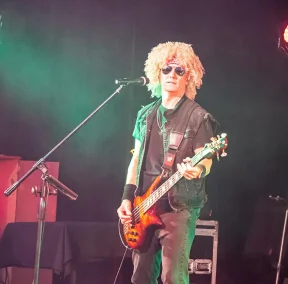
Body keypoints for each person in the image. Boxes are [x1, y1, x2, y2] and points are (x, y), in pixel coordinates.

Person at [116, 41, 219, 284]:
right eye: (166, 69)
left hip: (179, 207)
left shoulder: (198, 117)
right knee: (140, 277)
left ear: (188, 77)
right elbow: (136, 159)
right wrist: (127, 198)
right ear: (157, 74)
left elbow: (206, 159)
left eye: (179, 71)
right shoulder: (146, 115)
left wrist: (197, 170)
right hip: (144, 206)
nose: (172, 75)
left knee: (173, 276)